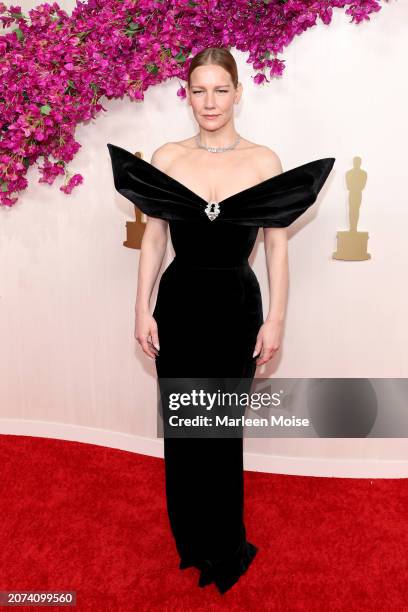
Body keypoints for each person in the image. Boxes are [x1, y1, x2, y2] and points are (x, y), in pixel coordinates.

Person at [107, 46, 335, 595]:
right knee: (185, 427)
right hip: (180, 303)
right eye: (198, 90)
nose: (209, 101)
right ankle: (191, 539)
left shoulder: (263, 162)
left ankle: (225, 543)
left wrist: (277, 318)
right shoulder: (167, 156)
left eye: (220, 89)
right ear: (187, 95)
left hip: (237, 306)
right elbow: (156, 239)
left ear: (238, 92)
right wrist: (141, 308)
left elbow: (277, 251)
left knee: (221, 429)